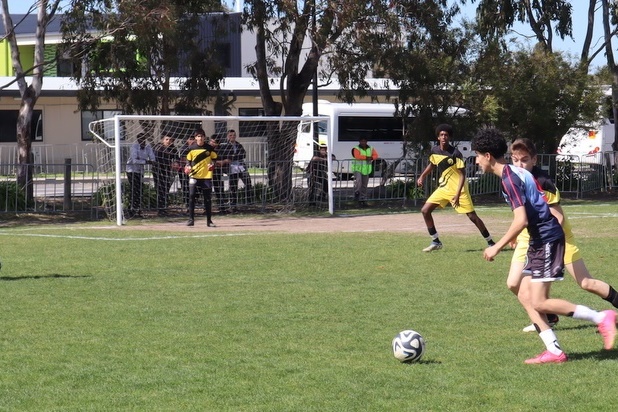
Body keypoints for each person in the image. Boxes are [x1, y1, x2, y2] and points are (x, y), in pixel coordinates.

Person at [472, 127, 616, 364]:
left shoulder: (509, 179)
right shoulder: (513, 174)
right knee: (525, 296)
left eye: (477, 155)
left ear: (488, 155)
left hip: (546, 238)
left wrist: (496, 246)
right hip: (539, 239)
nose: (476, 161)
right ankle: (554, 350)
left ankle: (602, 317)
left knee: (539, 301)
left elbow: (522, 220)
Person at [508, 137, 618, 332]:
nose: (519, 164)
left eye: (524, 160)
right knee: (513, 283)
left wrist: (548, 245)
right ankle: (548, 316)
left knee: (586, 282)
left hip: (556, 237)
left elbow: (557, 218)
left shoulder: (542, 182)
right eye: (515, 160)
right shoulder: (513, 179)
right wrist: (516, 234)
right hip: (531, 236)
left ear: (534, 159)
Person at [416, 124, 494, 252]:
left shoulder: (455, 153)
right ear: (438, 137)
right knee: (425, 210)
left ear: (449, 137)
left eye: (446, 135)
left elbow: (463, 174)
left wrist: (457, 194)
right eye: (441, 135)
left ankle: (490, 242)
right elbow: (432, 164)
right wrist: (422, 176)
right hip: (444, 187)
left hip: (459, 188)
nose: (444, 137)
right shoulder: (435, 151)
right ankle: (436, 241)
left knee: (472, 216)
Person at [184, 128, 217, 227]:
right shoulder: (191, 148)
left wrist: (212, 164)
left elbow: (214, 158)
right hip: (194, 175)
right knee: (191, 196)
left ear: (204, 137)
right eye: (198, 136)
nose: (200, 138)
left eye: (202, 136)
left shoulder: (209, 148)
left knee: (207, 198)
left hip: (206, 176)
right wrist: (188, 166)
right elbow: (188, 160)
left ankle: (209, 221)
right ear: (195, 138)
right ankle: (191, 219)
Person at [218, 129, 252, 210]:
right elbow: (224, 156)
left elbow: (243, 154)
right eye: (230, 135)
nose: (232, 137)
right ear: (227, 136)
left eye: (234, 135)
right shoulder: (225, 146)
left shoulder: (239, 145)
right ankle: (233, 205)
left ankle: (248, 202)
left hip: (241, 167)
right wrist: (232, 157)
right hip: (231, 168)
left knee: (248, 182)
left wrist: (233, 157)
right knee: (233, 186)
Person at [125, 132, 155, 218]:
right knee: (134, 189)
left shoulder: (148, 147)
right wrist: (146, 161)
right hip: (131, 170)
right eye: (140, 139)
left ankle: (137, 209)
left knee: (139, 190)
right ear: (138, 139)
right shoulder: (134, 147)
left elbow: (152, 158)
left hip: (140, 171)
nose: (142, 141)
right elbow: (134, 160)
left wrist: (145, 160)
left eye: (143, 139)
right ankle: (132, 209)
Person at [152, 134, 179, 216]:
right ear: (163, 140)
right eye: (167, 139)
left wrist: (175, 162)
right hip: (158, 171)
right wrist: (169, 163)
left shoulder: (173, 148)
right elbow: (157, 159)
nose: (168, 141)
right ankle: (160, 209)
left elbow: (177, 157)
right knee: (160, 190)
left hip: (167, 172)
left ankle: (164, 208)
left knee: (166, 189)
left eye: (170, 140)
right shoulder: (158, 147)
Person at [351, 137, 378, 207]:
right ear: (359, 141)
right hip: (358, 169)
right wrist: (367, 157)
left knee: (364, 185)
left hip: (366, 169)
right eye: (362, 141)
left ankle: (363, 199)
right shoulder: (356, 148)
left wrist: (371, 158)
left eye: (364, 141)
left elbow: (376, 155)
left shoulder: (371, 148)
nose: (363, 143)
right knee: (359, 182)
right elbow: (357, 156)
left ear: (366, 142)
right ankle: (357, 194)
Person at [177, 134, 196, 211]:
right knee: (186, 188)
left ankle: (192, 204)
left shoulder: (196, 148)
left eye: (193, 139)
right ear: (187, 140)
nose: (192, 141)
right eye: (190, 139)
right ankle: (187, 205)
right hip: (184, 171)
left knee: (194, 188)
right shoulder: (185, 148)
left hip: (194, 171)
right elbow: (183, 159)